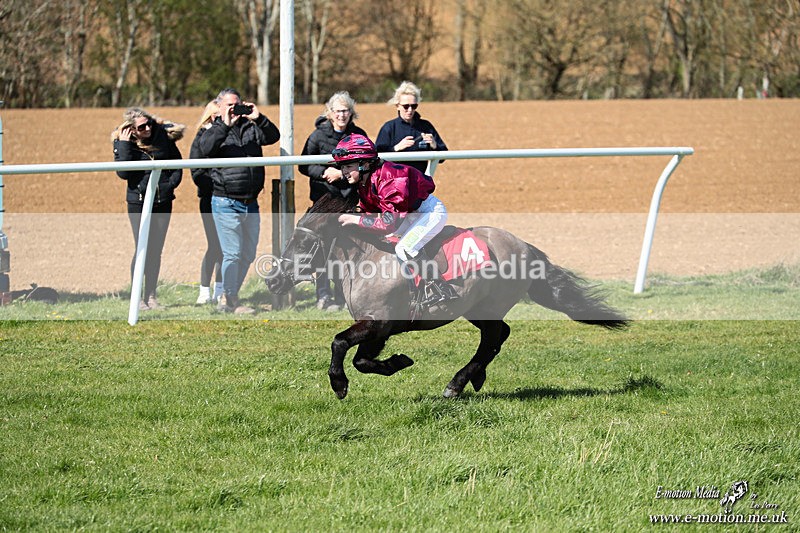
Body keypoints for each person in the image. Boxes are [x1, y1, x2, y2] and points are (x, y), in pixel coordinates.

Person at [332, 134, 458, 308]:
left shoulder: (390, 179)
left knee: (404, 247)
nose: (344, 171)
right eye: (342, 167)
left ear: (365, 164)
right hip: (409, 214)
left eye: (348, 166)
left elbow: (388, 224)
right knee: (389, 241)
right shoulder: (364, 182)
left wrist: (353, 219)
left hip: (429, 212)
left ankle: (441, 288)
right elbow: (370, 214)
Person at [196, 88, 280, 314]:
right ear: (220, 106)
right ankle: (229, 299)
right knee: (232, 253)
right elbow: (206, 148)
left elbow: (273, 137)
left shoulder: (251, 128)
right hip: (226, 201)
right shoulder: (214, 129)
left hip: (251, 202)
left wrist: (259, 118)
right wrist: (225, 124)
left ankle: (230, 295)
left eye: (237, 104)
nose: (234, 109)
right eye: (229, 105)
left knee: (247, 254)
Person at [298, 91, 367, 311]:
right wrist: (323, 173)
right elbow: (303, 165)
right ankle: (323, 295)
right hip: (324, 200)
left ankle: (344, 295)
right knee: (322, 249)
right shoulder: (318, 136)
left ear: (351, 112)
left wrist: (341, 174)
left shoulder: (359, 135)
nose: (342, 115)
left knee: (346, 248)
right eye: (337, 111)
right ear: (330, 113)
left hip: (349, 200)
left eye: (345, 110)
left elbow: (367, 163)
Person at [112, 107, 184, 311]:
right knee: (142, 248)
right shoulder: (123, 143)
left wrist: (169, 185)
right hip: (139, 202)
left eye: (149, 124)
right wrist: (124, 145)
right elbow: (123, 174)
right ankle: (137, 298)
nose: (148, 129)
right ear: (132, 130)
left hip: (163, 201)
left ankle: (151, 296)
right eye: (142, 127)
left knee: (156, 249)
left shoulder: (163, 138)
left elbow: (176, 164)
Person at [190, 100, 224, 305]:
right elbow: (197, 171)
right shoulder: (201, 137)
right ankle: (204, 291)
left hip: (229, 197)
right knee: (214, 245)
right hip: (209, 198)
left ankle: (220, 290)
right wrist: (215, 187)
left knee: (226, 248)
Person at [375, 81, 448, 175]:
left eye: (413, 106)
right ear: (397, 106)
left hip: (420, 180)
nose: (410, 110)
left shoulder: (426, 126)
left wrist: (434, 146)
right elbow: (376, 157)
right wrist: (396, 148)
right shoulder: (389, 128)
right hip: (395, 180)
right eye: (406, 106)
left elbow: (443, 157)